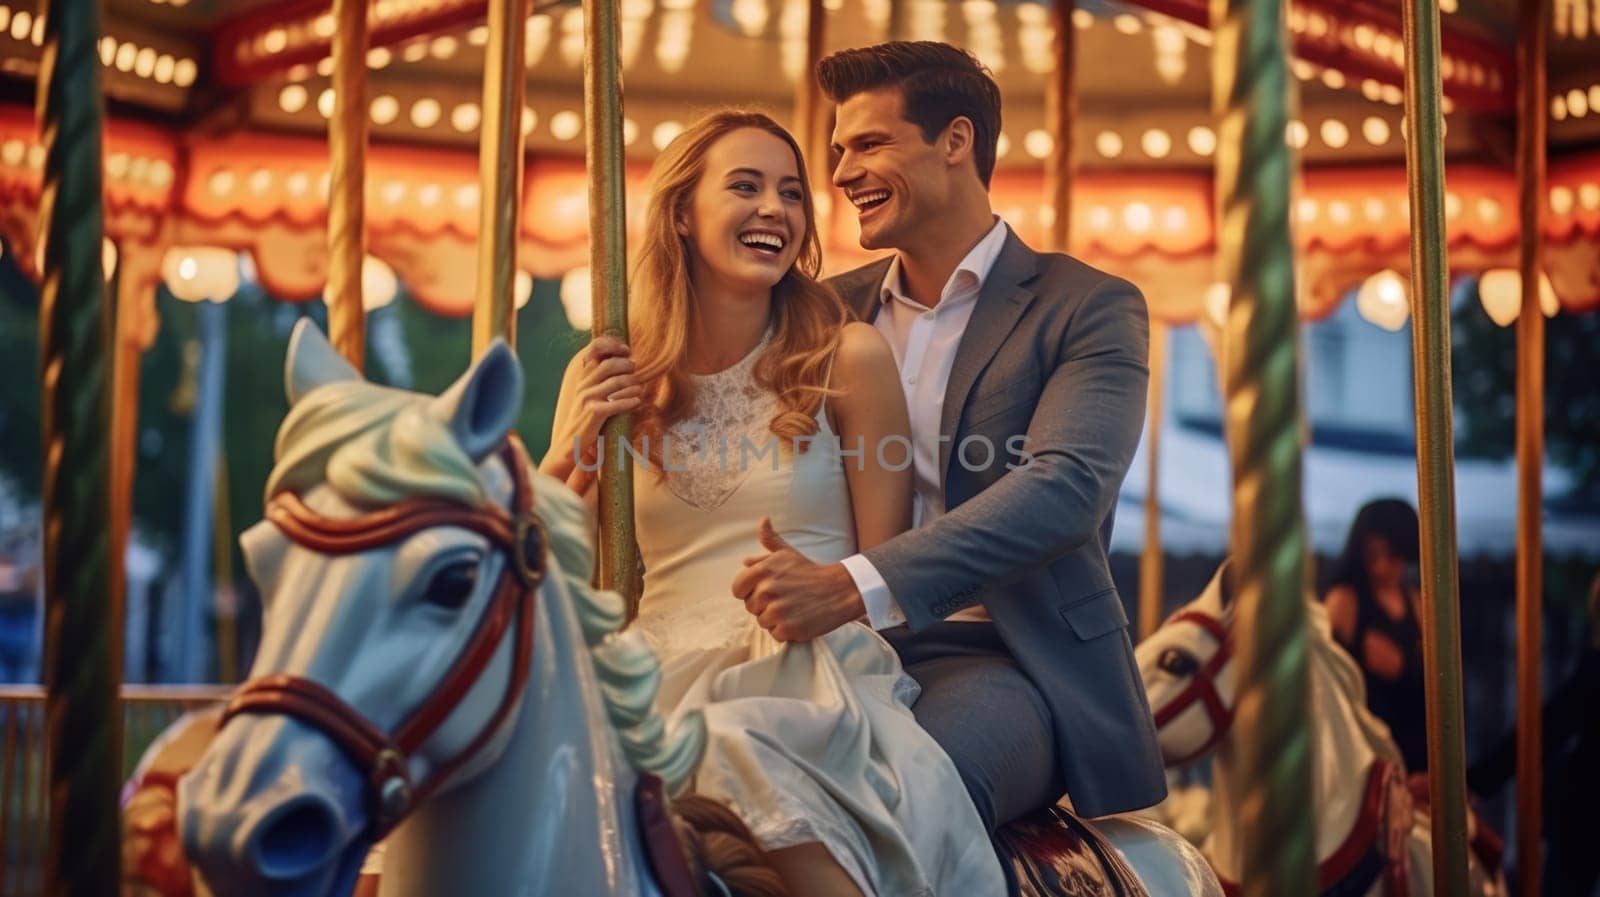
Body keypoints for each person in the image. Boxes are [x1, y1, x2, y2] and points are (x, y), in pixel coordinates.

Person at [541, 110, 1005, 897]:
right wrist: (572, 449)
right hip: (657, 668)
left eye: (792, 193)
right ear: (683, 213)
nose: (775, 210)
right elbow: (541, 574)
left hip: (807, 671)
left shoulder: (847, 358)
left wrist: (823, 588)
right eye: (746, 186)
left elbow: (882, 576)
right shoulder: (613, 373)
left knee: (726, 745)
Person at [730, 41, 1167, 838]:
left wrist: (852, 584)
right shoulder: (822, 313)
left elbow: (1064, 489)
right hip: (824, 651)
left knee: (912, 796)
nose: (840, 172)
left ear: (955, 142)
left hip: (1001, 655)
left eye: (868, 143)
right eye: (837, 150)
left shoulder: (1087, 308)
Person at [1323, 497, 1429, 774]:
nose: (1381, 567)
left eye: (1392, 556)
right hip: (1364, 758)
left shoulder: (1416, 602)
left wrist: (1406, 667)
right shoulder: (1344, 601)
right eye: (1373, 556)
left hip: (1415, 751)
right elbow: (1323, 681)